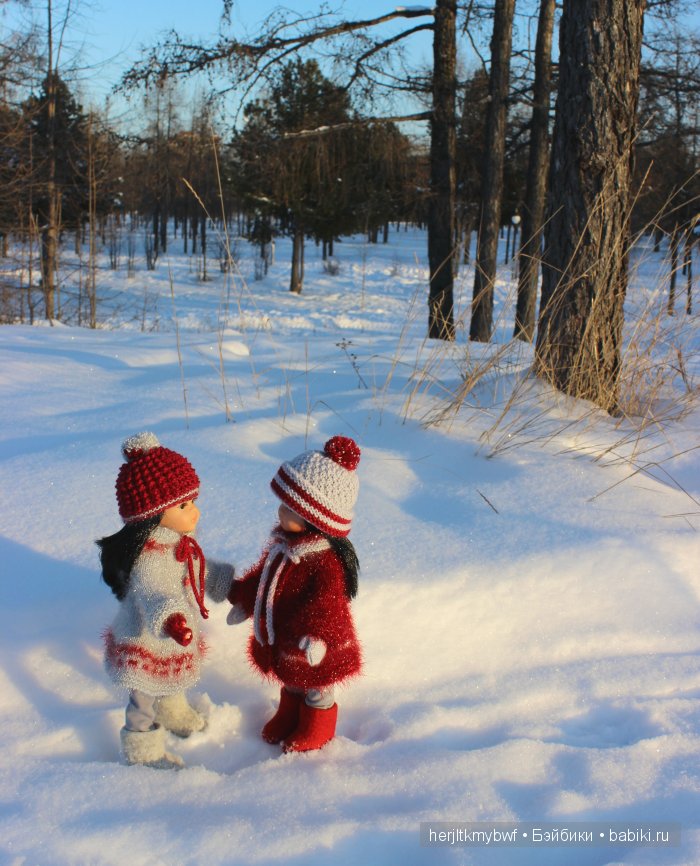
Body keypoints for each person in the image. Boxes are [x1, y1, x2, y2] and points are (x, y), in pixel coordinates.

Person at [98, 432, 234, 769]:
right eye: (184, 506)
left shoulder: (180, 543)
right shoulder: (150, 556)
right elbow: (153, 591)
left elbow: (198, 570)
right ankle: (141, 749)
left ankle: (172, 710)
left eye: (193, 501)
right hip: (146, 636)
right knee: (143, 695)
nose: (195, 512)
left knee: (173, 675)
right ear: (152, 514)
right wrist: (171, 618)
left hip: (174, 636)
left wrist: (227, 583)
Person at [227, 435, 362, 753]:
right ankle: (289, 714)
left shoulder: (324, 562)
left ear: (315, 518)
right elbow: (265, 581)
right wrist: (246, 600)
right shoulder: (283, 548)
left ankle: (317, 727)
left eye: (290, 508)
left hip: (316, 641)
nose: (280, 512)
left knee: (316, 684)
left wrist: (318, 636)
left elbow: (328, 603)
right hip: (288, 632)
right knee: (290, 676)